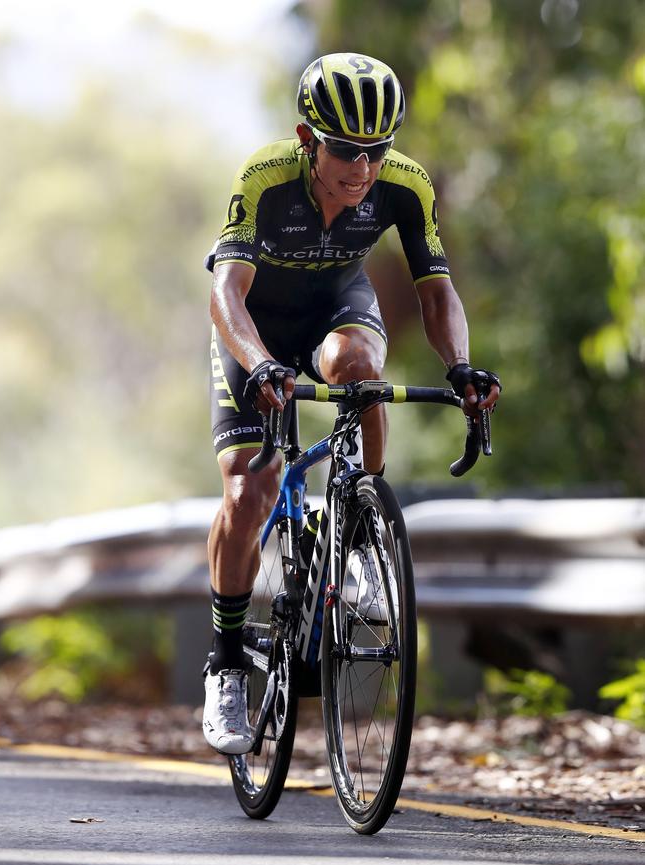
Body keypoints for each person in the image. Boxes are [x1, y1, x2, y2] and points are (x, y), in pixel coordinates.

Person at [202, 53, 501, 754]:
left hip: (337, 306)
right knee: (251, 486)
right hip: (256, 326)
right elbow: (226, 293)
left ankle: (361, 517)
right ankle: (225, 665)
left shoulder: (404, 185)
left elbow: (436, 292)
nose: (361, 168)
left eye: (376, 151)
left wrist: (459, 367)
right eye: (345, 150)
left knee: (359, 366)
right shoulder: (266, 177)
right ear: (308, 140)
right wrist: (260, 362)